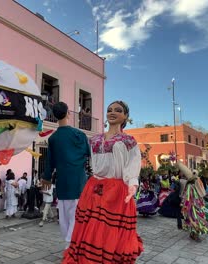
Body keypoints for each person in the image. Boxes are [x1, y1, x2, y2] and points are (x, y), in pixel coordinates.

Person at [62, 101, 143, 263]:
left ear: (125, 116)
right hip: (94, 188)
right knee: (91, 226)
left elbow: (133, 164)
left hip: (117, 191)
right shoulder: (95, 139)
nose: (112, 112)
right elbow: (88, 160)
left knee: (108, 229)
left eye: (118, 110)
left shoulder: (128, 141)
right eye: (109, 110)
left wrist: (132, 184)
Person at [42, 101, 91, 249]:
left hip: (62, 183)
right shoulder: (80, 135)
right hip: (79, 182)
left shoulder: (53, 138)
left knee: (64, 218)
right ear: (68, 113)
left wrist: (47, 177)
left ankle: (69, 244)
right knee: (77, 217)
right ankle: (71, 247)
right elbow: (90, 154)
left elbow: (49, 161)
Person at [177, 162, 208, 241]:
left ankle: (193, 233)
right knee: (194, 219)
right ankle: (194, 234)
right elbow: (187, 197)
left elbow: (200, 194)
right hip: (192, 206)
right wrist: (186, 206)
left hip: (197, 205)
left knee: (198, 219)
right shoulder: (189, 186)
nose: (197, 179)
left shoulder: (195, 185)